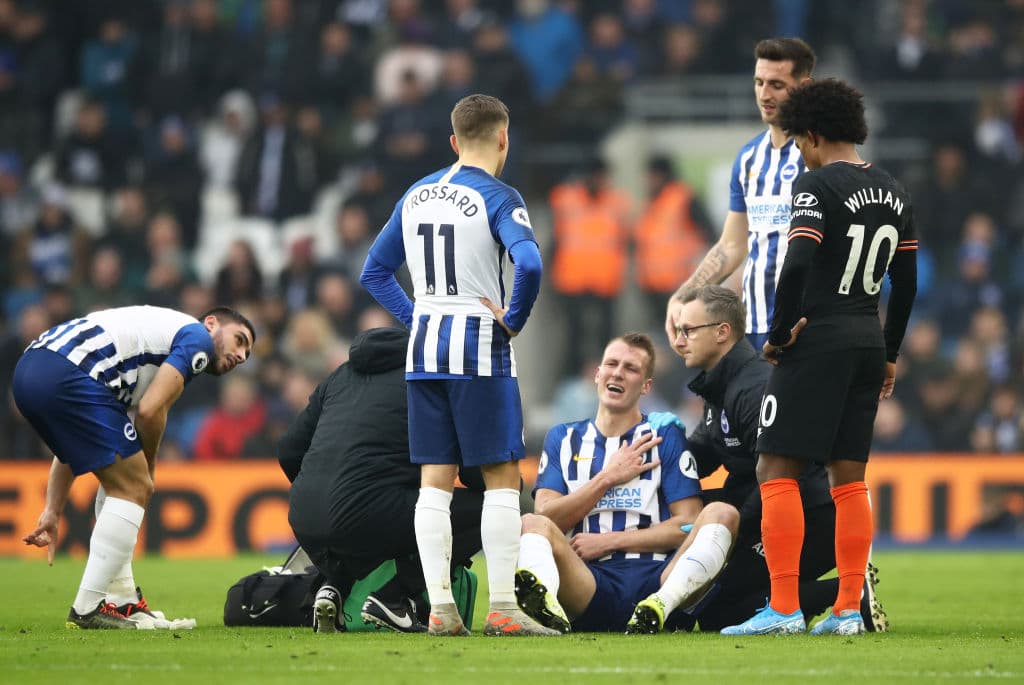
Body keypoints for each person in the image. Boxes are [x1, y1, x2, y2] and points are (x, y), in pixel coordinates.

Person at [722, 79, 917, 636]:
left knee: (775, 466)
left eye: (799, 142)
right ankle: (848, 609)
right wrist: (890, 353)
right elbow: (906, 283)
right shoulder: (894, 190)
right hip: (867, 341)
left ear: (811, 135)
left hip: (819, 339)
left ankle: (783, 608)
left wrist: (780, 331)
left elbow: (798, 263)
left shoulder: (814, 186)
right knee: (849, 477)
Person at [359, 94, 554, 636]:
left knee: (434, 482)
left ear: (453, 141)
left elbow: (374, 272)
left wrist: (418, 315)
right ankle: (503, 609)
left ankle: (441, 610)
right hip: (478, 346)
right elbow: (530, 262)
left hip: (424, 350)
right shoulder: (499, 195)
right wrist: (514, 318)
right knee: (501, 479)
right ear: (503, 139)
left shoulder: (417, 193)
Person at [628, 285, 887, 633]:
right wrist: (659, 452)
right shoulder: (722, 386)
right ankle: (838, 596)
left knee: (717, 606)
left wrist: (732, 528)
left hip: (810, 518)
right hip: (771, 510)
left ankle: (846, 594)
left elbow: (784, 474)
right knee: (714, 602)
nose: (678, 341)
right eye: (677, 331)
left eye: (687, 330)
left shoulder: (754, 388)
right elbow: (704, 454)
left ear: (722, 332)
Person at [16, 305, 255, 629]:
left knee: (120, 483)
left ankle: (123, 599)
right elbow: (150, 410)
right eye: (239, 340)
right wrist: (148, 469)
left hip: (32, 370)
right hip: (67, 373)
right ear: (211, 323)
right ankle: (88, 608)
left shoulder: (139, 356)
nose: (241, 355)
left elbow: (72, 446)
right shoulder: (197, 337)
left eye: (247, 353)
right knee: (134, 485)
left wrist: (52, 510)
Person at [514, 333, 739, 633]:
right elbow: (547, 518)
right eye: (611, 364)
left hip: (660, 579)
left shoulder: (663, 434)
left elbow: (687, 524)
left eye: (631, 368)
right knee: (530, 523)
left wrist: (611, 540)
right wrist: (607, 477)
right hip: (589, 584)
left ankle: (658, 607)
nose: (618, 373)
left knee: (723, 513)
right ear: (598, 374)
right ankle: (547, 611)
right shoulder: (563, 438)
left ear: (646, 386)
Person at [278, 327, 484, 633]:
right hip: (368, 512)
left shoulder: (338, 376)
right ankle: (394, 597)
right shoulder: (429, 378)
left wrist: (320, 490)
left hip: (303, 516)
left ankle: (332, 586)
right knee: (482, 510)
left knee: (377, 515)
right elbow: (472, 470)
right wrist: (503, 487)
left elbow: (288, 450)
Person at [664, 38, 816, 352]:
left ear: (803, 87)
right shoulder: (749, 158)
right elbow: (732, 245)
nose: (764, 94)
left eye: (777, 85)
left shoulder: (819, 155)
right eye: (759, 83)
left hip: (806, 329)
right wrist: (684, 295)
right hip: (755, 327)